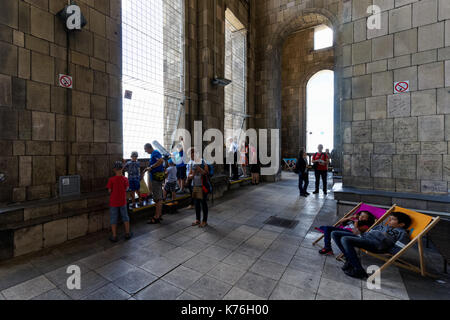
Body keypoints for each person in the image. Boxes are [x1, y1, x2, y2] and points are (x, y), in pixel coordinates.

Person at [331, 211, 411, 279]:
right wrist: (360, 234)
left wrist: (386, 249)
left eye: (393, 219)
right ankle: (350, 259)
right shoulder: (382, 227)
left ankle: (359, 270)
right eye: (389, 218)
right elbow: (369, 232)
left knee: (345, 239)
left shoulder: (402, 233)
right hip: (364, 238)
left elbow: (400, 248)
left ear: (401, 224)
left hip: (377, 245)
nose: (389, 220)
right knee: (334, 233)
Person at [106, 161, 132, 242]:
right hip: (122, 201)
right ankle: (127, 233)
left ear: (114, 170)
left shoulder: (111, 180)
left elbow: (109, 191)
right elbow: (127, 188)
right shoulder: (125, 179)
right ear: (122, 169)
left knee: (113, 218)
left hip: (113, 202)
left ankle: (114, 236)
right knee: (125, 217)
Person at [144, 143, 165, 224]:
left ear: (149, 148)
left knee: (158, 198)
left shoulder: (155, 153)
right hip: (157, 177)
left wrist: (151, 167)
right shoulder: (154, 153)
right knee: (158, 197)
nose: (145, 151)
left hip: (156, 178)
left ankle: (156, 217)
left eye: (145, 149)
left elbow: (161, 160)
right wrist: (148, 168)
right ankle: (159, 215)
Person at [188, 149, 210, 228]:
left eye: (192, 155)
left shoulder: (203, 162)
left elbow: (206, 173)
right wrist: (191, 176)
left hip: (202, 186)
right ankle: (197, 219)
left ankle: (204, 221)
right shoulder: (192, 164)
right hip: (195, 186)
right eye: (190, 155)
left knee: (203, 203)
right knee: (196, 204)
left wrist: (199, 169)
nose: (191, 157)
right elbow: (189, 175)